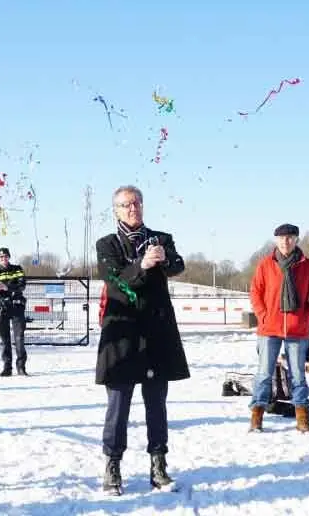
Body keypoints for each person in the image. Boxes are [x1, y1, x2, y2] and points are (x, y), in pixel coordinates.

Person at [95, 185, 189, 495]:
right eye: (125, 205)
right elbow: (117, 282)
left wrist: (164, 258)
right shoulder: (107, 244)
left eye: (136, 203)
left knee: (156, 404)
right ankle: (112, 464)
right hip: (122, 336)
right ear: (116, 211)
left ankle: (158, 463)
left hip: (156, 335)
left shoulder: (161, 238)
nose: (132, 209)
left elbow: (178, 266)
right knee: (118, 405)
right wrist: (143, 265)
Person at [248, 223, 309, 434]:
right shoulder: (265, 265)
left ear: (296, 240)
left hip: (297, 330)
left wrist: (307, 317)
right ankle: (257, 417)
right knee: (264, 374)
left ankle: (302, 419)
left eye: (290, 238)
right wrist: (262, 315)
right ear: (276, 241)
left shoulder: (307, 266)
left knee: (298, 376)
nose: (286, 241)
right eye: (282, 238)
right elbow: (255, 292)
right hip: (269, 328)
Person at [0, 248, 28, 376]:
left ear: (9, 257)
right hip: (2, 308)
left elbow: (22, 285)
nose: (4, 259)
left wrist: (7, 287)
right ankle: (7, 367)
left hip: (16, 306)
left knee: (19, 338)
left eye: (6, 256)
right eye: (1, 257)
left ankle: (21, 367)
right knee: (4, 340)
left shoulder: (17, 269)